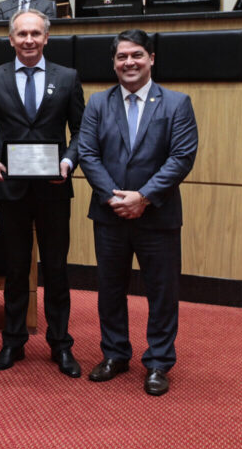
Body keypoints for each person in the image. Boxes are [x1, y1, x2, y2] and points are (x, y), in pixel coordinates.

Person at [78, 29, 198, 396]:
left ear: (151, 59)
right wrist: (116, 197)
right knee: (110, 289)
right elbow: (87, 153)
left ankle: (159, 361)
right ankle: (114, 354)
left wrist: (143, 197)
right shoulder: (98, 103)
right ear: (114, 63)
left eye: (136, 55)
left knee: (162, 292)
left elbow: (181, 157)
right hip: (110, 213)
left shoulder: (177, 103)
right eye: (121, 57)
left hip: (157, 216)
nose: (129, 63)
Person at [0, 8, 85, 377]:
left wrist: (69, 163)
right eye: (21, 34)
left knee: (56, 269)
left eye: (35, 33)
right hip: (10, 189)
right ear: (11, 39)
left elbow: (81, 132)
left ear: (46, 37)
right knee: (15, 269)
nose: (28, 40)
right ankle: (13, 341)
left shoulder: (68, 77)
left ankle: (60, 344)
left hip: (54, 188)